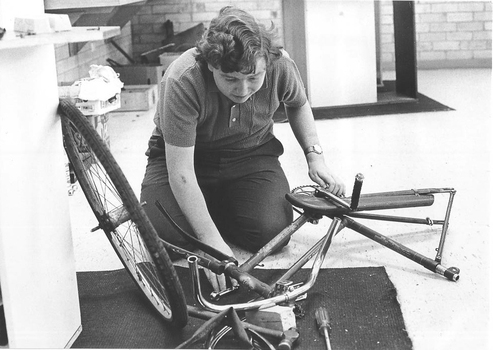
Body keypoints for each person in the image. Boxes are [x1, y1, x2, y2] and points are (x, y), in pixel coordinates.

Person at [140, 6, 345, 292]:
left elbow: (297, 103)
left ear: (266, 63)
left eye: (253, 78)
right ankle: (205, 215)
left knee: (273, 231)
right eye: (231, 79)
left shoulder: (279, 64)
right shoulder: (183, 78)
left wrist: (315, 156)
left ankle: (213, 208)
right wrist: (210, 240)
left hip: (251, 155)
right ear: (212, 65)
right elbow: (182, 172)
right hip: (188, 161)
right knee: (164, 236)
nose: (243, 89)